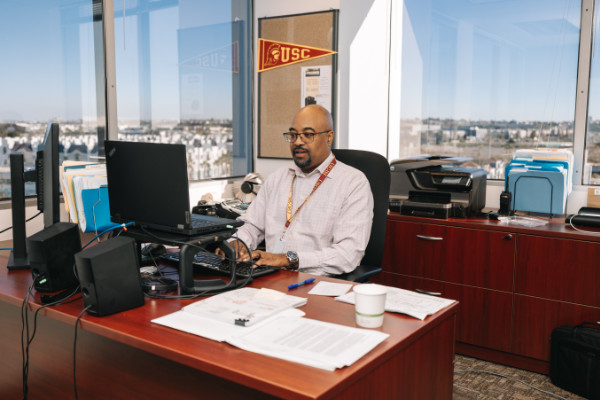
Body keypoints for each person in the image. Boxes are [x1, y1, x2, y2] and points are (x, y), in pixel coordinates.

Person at [228, 104, 374, 276]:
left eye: (308, 134)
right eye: (293, 134)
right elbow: (252, 225)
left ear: (329, 137)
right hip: (268, 276)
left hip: (317, 283)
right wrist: (237, 243)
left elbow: (347, 255)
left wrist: (288, 259)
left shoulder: (353, 183)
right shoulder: (277, 178)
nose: (297, 141)